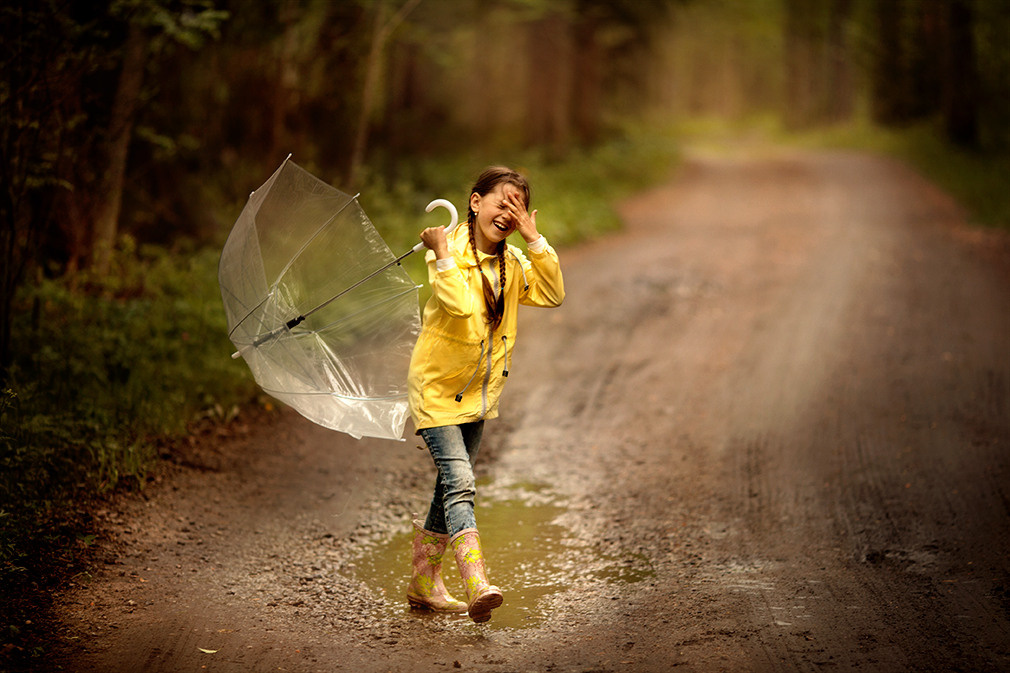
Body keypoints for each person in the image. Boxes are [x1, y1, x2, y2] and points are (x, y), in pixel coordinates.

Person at [405, 166, 565, 623]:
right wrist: (439, 254)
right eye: (502, 202)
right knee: (461, 482)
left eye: (517, 207)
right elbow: (459, 306)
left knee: (448, 487)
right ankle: (476, 583)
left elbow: (553, 294)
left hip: (477, 395)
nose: (508, 213)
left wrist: (535, 240)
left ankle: (422, 584)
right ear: (475, 202)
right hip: (435, 390)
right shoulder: (449, 249)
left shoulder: (512, 265)